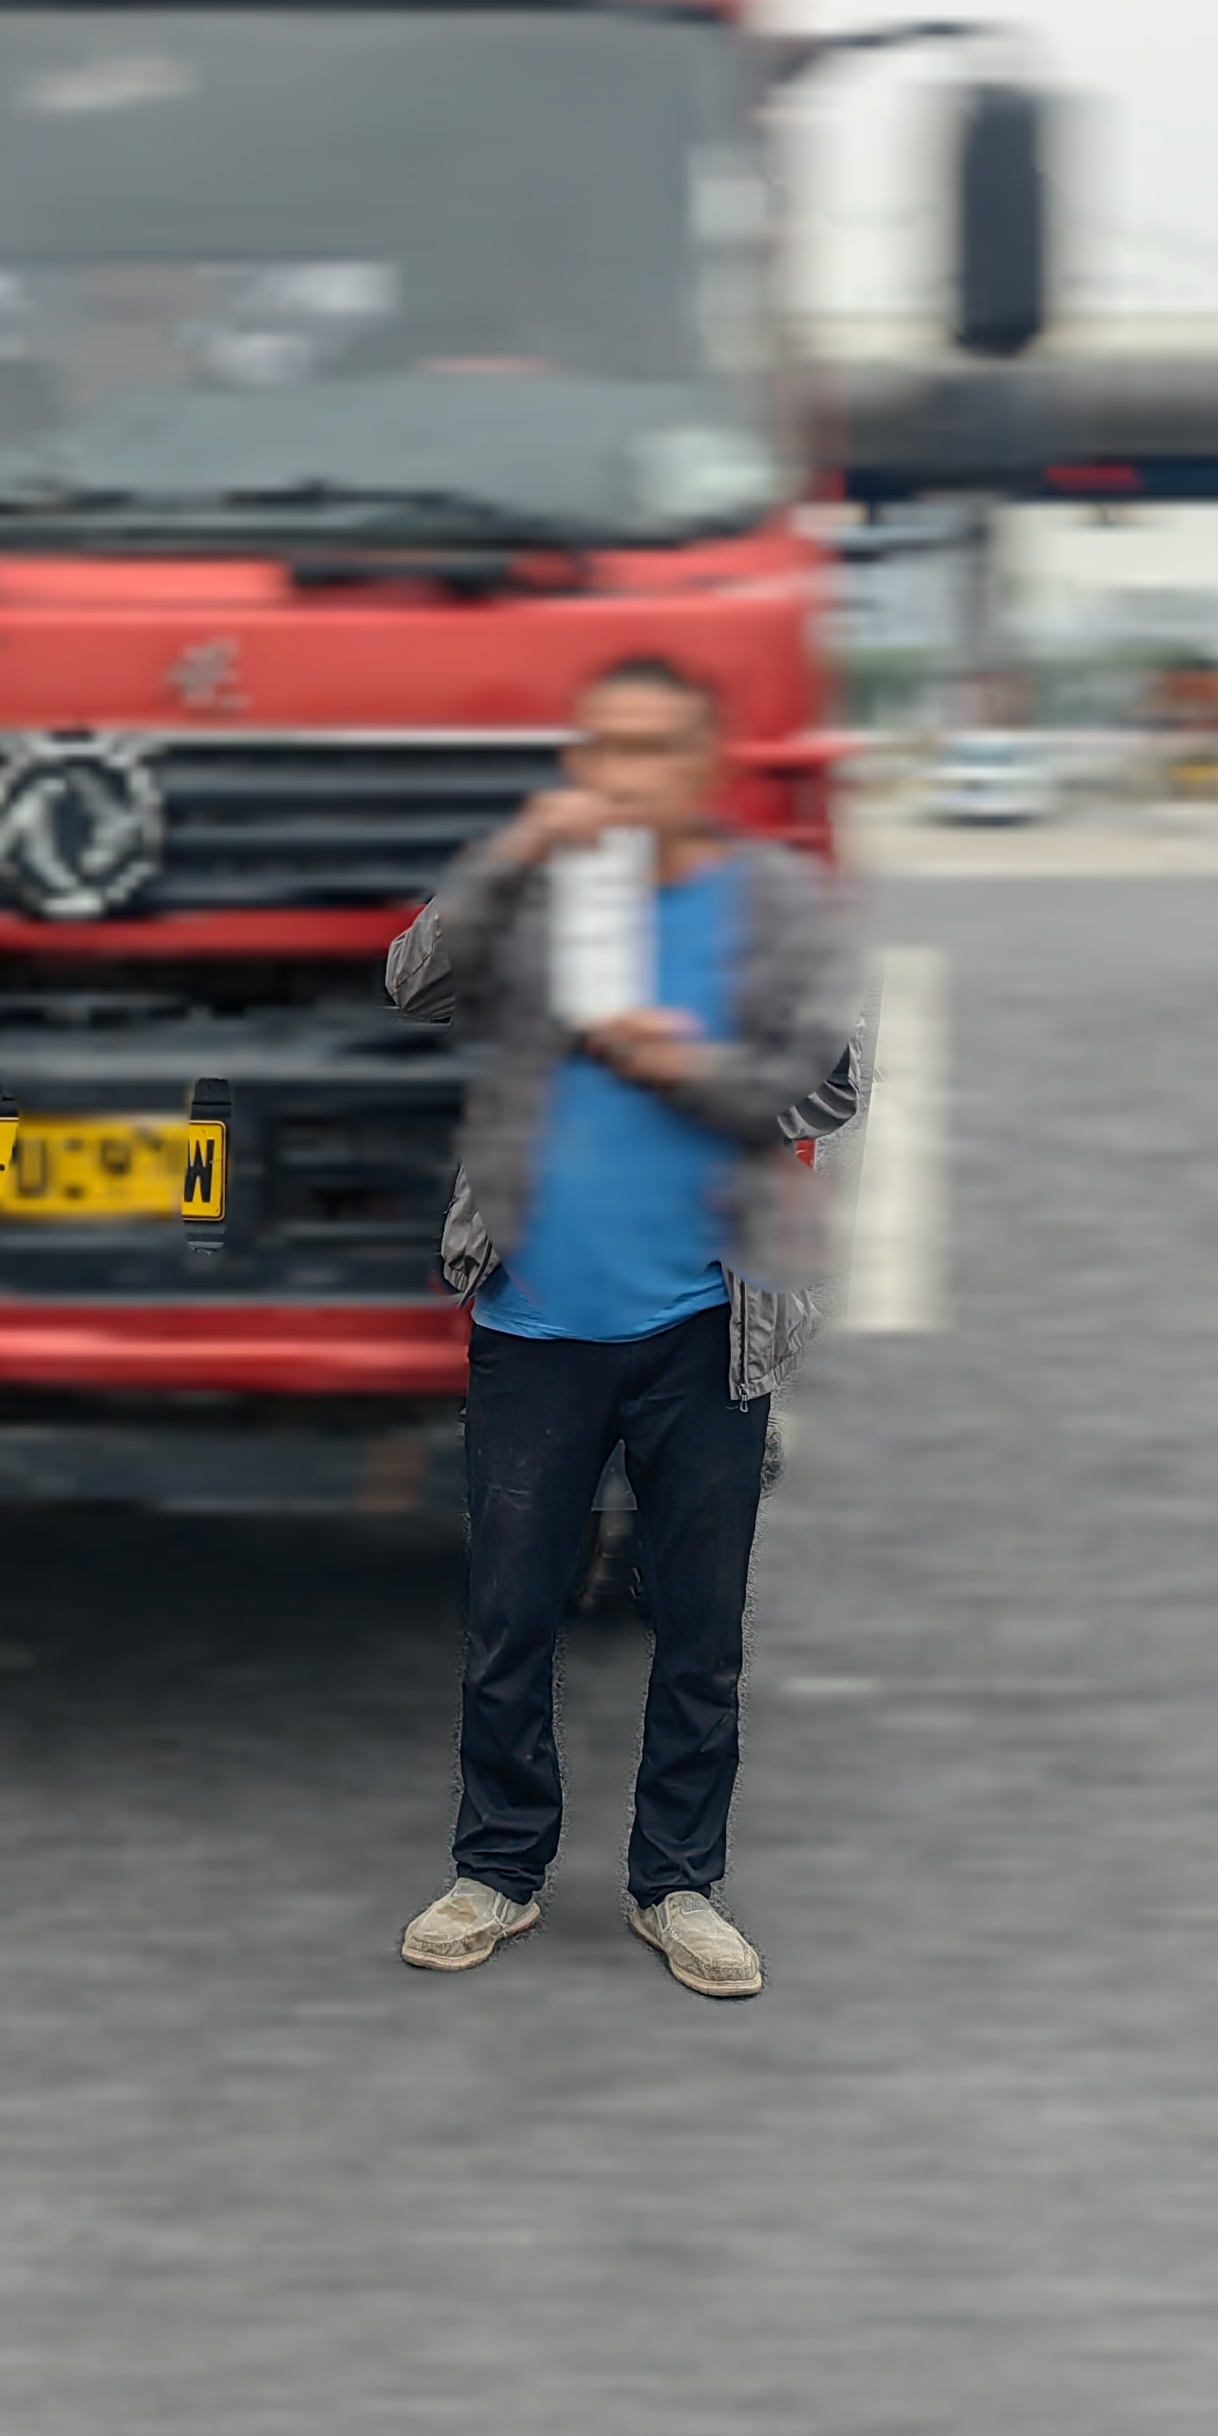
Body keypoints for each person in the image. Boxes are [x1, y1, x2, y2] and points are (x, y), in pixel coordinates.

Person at [380, 654, 861, 1998]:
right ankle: (498, 1868)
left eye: (650, 749)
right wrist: (511, 851)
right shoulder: (540, 890)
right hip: (537, 1318)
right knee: (510, 1613)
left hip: (708, 1321)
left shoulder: (773, 900)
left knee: (697, 1621)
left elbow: (830, 1085)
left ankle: (679, 1883)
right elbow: (413, 982)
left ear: (703, 766)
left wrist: (687, 1067)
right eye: (599, 748)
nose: (619, 773)